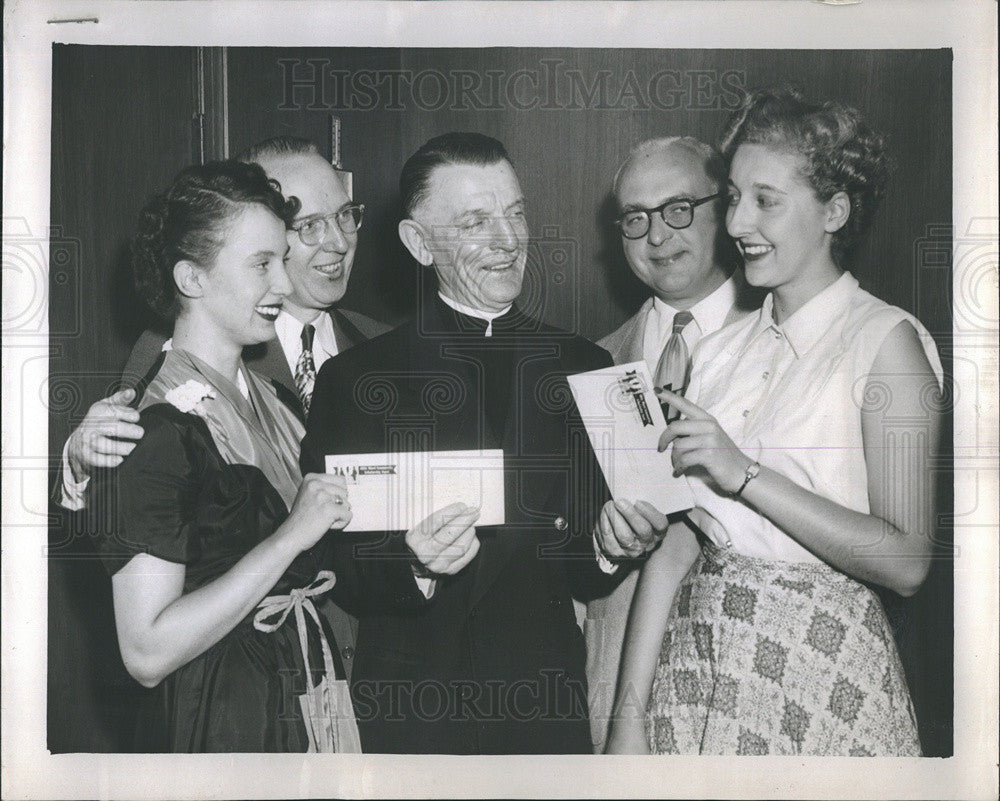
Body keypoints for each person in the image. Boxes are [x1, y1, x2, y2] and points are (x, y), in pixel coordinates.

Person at [300, 132, 665, 754]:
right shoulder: (357, 379)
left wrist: (613, 546)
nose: (508, 240)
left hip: (539, 707)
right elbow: (331, 564)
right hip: (410, 713)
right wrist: (412, 565)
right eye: (476, 222)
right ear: (419, 244)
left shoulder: (585, 367)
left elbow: (585, 565)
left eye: (515, 213)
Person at [605, 88, 943, 756]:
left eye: (766, 200)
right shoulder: (723, 350)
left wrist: (744, 474)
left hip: (821, 667)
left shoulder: (887, 342)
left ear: (833, 211)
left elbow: (907, 559)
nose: (736, 224)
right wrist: (628, 715)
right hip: (696, 664)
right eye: (732, 197)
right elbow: (678, 544)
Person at [59, 136, 390, 679]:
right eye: (267, 258)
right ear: (192, 277)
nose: (334, 242)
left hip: (333, 678)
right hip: (228, 695)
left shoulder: (314, 379)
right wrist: (76, 462)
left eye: (346, 216)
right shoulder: (162, 386)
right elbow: (134, 482)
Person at [88, 160, 356, 751]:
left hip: (303, 691)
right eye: (261, 264)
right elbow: (145, 652)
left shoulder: (279, 403)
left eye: (281, 261)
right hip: (217, 715)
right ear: (192, 278)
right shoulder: (150, 430)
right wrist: (290, 538)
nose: (284, 286)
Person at [584, 136, 763, 753]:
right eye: (636, 218)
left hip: (750, 677)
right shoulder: (591, 363)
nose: (657, 236)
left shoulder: (784, 346)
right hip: (615, 684)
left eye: (679, 208)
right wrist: (602, 542)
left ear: (727, 210)